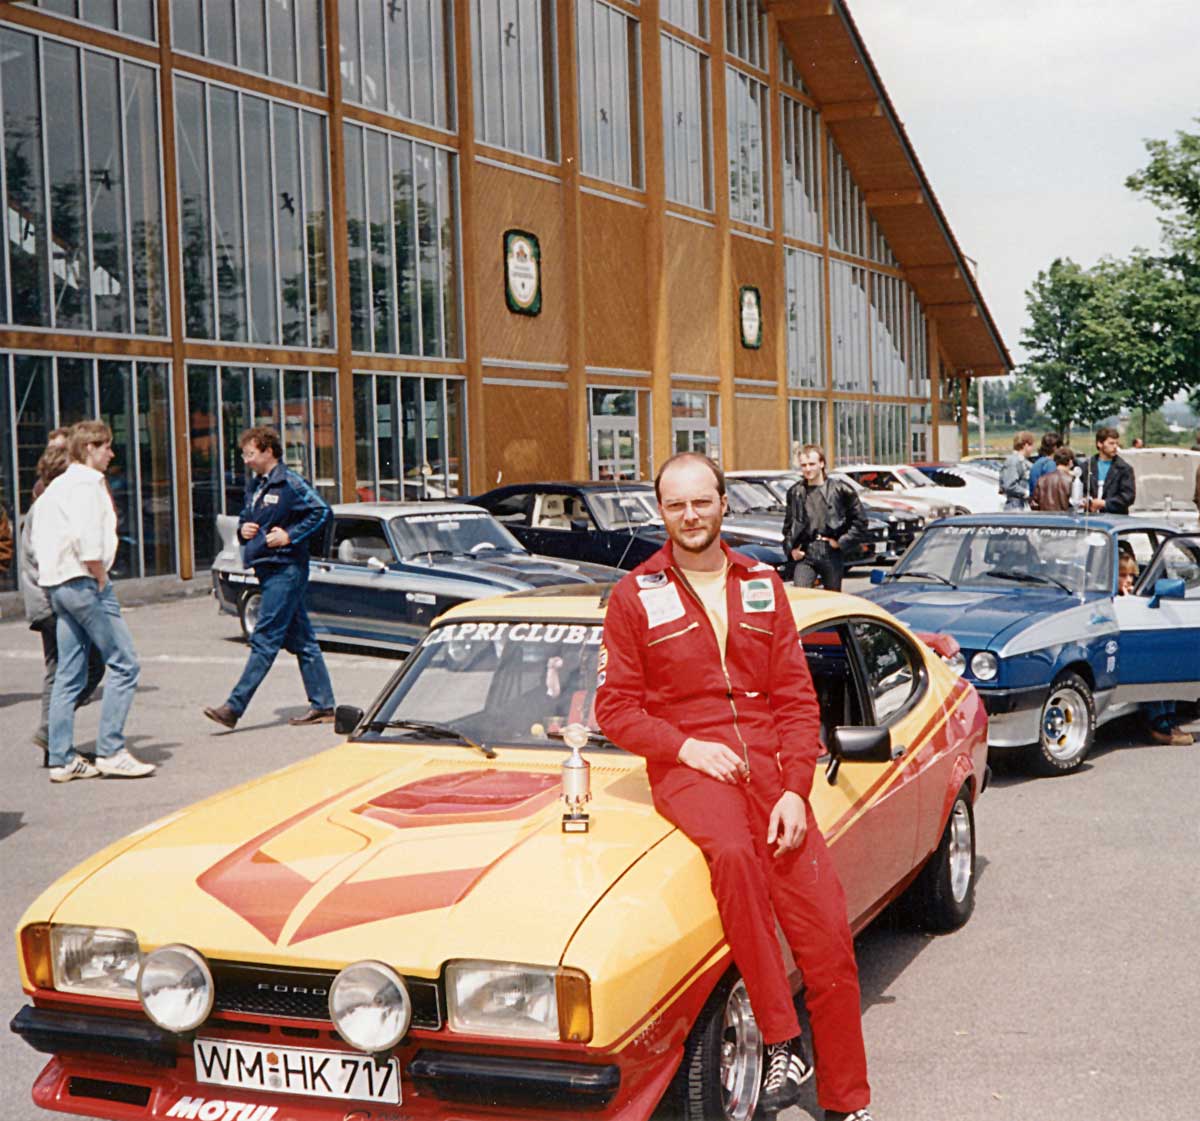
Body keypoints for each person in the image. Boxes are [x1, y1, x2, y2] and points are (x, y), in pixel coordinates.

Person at [595, 452, 874, 1121]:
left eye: (702, 501)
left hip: (773, 771)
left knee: (830, 941)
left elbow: (797, 702)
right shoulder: (635, 594)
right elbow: (615, 708)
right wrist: (685, 745)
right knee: (733, 855)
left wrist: (795, 791)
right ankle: (780, 1035)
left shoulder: (762, 583)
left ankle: (847, 1102)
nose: (690, 515)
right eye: (676, 504)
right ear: (660, 511)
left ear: (723, 502)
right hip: (690, 768)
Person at [33, 420, 152, 783]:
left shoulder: (55, 488)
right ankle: (112, 749)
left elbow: (41, 538)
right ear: (89, 449)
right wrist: (99, 576)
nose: (110, 454)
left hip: (57, 585)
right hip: (85, 582)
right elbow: (88, 540)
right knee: (125, 663)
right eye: (106, 447)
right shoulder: (87, 485)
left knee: (69, 672)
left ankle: (61, 757)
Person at [203, 427, 335, 729]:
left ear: (268, 451)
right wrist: (244, 529)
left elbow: (321, 511)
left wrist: (290, 535)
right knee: (303, 641)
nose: (246, 460)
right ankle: (324, 704)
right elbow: (250, 518)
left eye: (250, 453)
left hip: (285, 569)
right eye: (244, 454)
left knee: (264, 639)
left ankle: (233, 708)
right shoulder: (256, 486)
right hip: (267, 567)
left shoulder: (290, 482)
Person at [21, 444, 107, 761]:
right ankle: (52, 733)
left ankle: (54, 741)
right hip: (52, 600)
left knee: (62, 670)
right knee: (79, 667)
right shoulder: (48, 508)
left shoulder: (46, 505)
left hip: (47, 599)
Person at [1117, 554, 1193, 746]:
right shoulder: (1108, 599)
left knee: (1166, 666)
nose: (1128, 580)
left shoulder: (1139, 596)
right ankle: (1157, 720)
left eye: (1131, 576)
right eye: (1122, 575)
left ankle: (1168, 718)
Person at [781, 445, 868, 591]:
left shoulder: (840, 489)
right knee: (801, 594)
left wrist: (841, 542)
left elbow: (860, 521)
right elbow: (789, 526)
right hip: (806, 552)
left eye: (812, 464)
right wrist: (791, 550)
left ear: (821, 464)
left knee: (832, 598)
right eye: (804, 465)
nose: (808, 469)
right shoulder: (795, 492)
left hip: (830, 551)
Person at [1080, 426, 1135, 515]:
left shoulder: (1124, 469)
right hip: (1089, 518)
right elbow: (1080, 491)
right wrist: (1085, 501)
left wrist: (1104, 503)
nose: (1115, 447)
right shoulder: (1086, 467)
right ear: (1100, 444)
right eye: (1111, 443)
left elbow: (1128, 497)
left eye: (1116, 443)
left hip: (1115, 519)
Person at [1031, 447, 1079, 512]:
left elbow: (1034, 504)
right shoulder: (1072, 480)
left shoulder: (1042, 479)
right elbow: (1077, 503)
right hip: (1065, 520)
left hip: (1045, 519)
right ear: (1070, 462)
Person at [998, 431, 1036, 510]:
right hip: (1015, 506)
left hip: (1022, 504)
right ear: (1025, 445)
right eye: (1031, 445)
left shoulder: (1022, 461)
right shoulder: (1013, 461)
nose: (1032, 449)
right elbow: (1009, 485)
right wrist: (1026, 492)